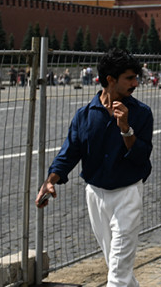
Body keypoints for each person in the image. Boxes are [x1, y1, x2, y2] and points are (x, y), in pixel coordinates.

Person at [35, 49, 153, 287]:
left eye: (135, 78)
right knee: (115, 263)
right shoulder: (85, 115)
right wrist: (50, 181)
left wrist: (126, 129)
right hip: (95, 195)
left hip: (127, 194)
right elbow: (70, 152)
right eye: (129, 78)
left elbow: (142, 157)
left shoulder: (141, 113)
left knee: (118, 272)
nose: (135, 83)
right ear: (110, 79)